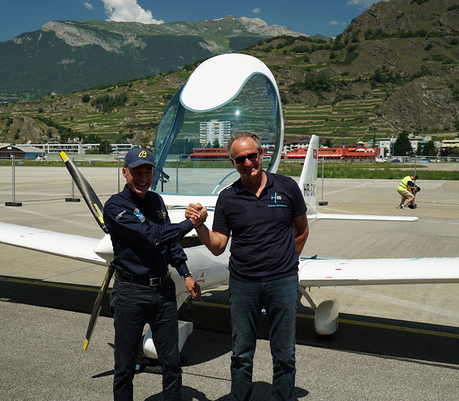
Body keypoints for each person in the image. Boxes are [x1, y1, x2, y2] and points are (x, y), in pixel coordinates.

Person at [186, 132, 309, 401]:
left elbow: (301, 230)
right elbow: (218, 245)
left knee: (285, 353)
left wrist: (289, 262)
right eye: (240, 159)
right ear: (233, 162)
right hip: (244, 284)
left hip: (282, 282)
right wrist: (199, 227)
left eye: (252, 156)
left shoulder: (287, 187)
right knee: (241, 353)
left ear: (261, 154)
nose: (247, 163)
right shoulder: (228, 198)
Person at [103, 147, 201, 401]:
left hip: (164, 292)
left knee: (171, 362)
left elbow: (169, 242)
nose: (143, 178)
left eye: (148, 172)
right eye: (137, 172)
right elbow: (152, 238)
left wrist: (185, 273)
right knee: (124, 366)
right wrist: (191, 223)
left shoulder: (156, 201)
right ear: (125, 172)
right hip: (130, 294)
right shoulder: (116, 206)